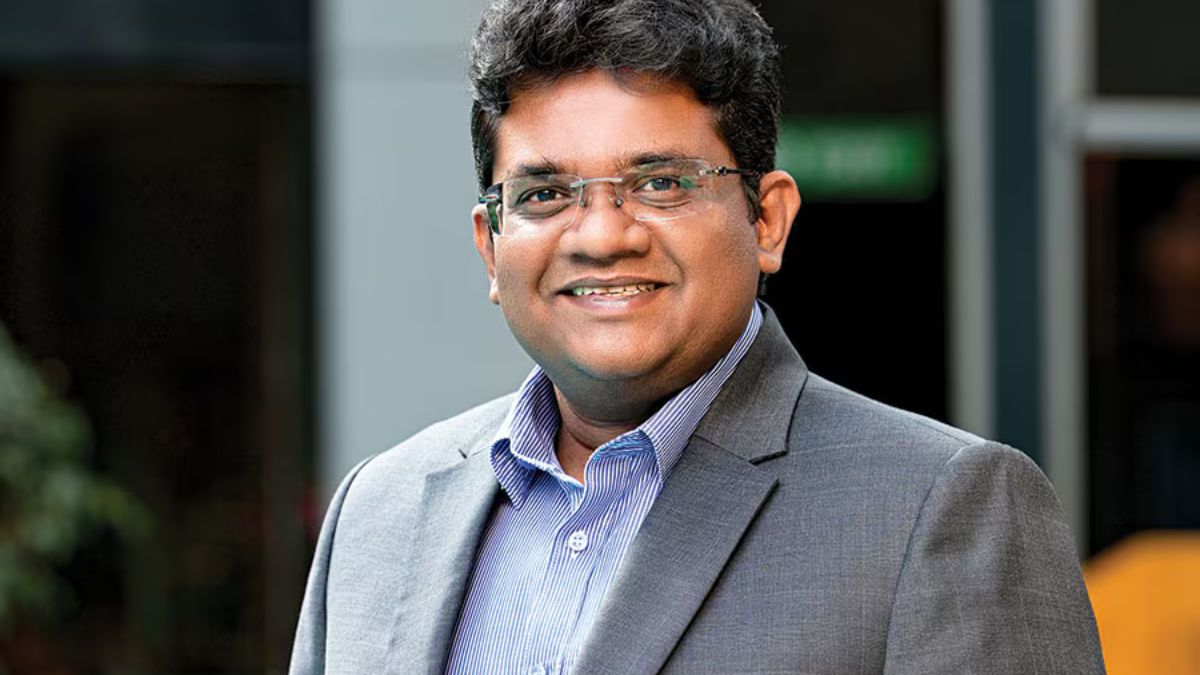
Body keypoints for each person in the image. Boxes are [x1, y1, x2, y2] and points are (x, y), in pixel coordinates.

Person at [289, 0, 1105, 672]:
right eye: (545, 194)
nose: (602, 236)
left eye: (661, 183)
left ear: (767, 219)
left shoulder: (940, 510)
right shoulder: (377, 512)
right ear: (490, 247)